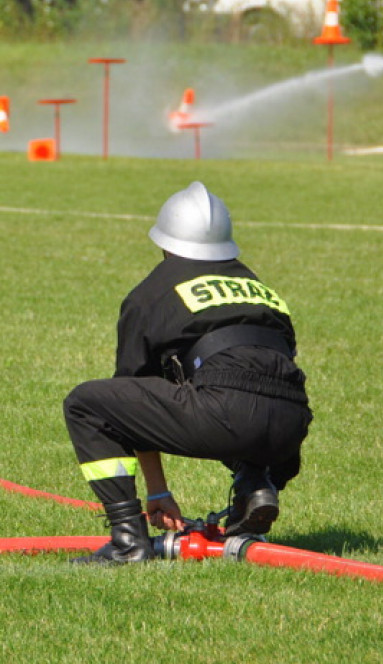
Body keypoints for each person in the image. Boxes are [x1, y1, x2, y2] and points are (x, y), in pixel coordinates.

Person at [63, 182, 312, 564]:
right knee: (246, 388)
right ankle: (255, 483)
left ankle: (128, 541)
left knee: (86, 405)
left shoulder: (152, 291)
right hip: (290, 428)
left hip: (226, 414)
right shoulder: (255, 284)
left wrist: (158, 492)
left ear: (165, 243)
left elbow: (130, 395)